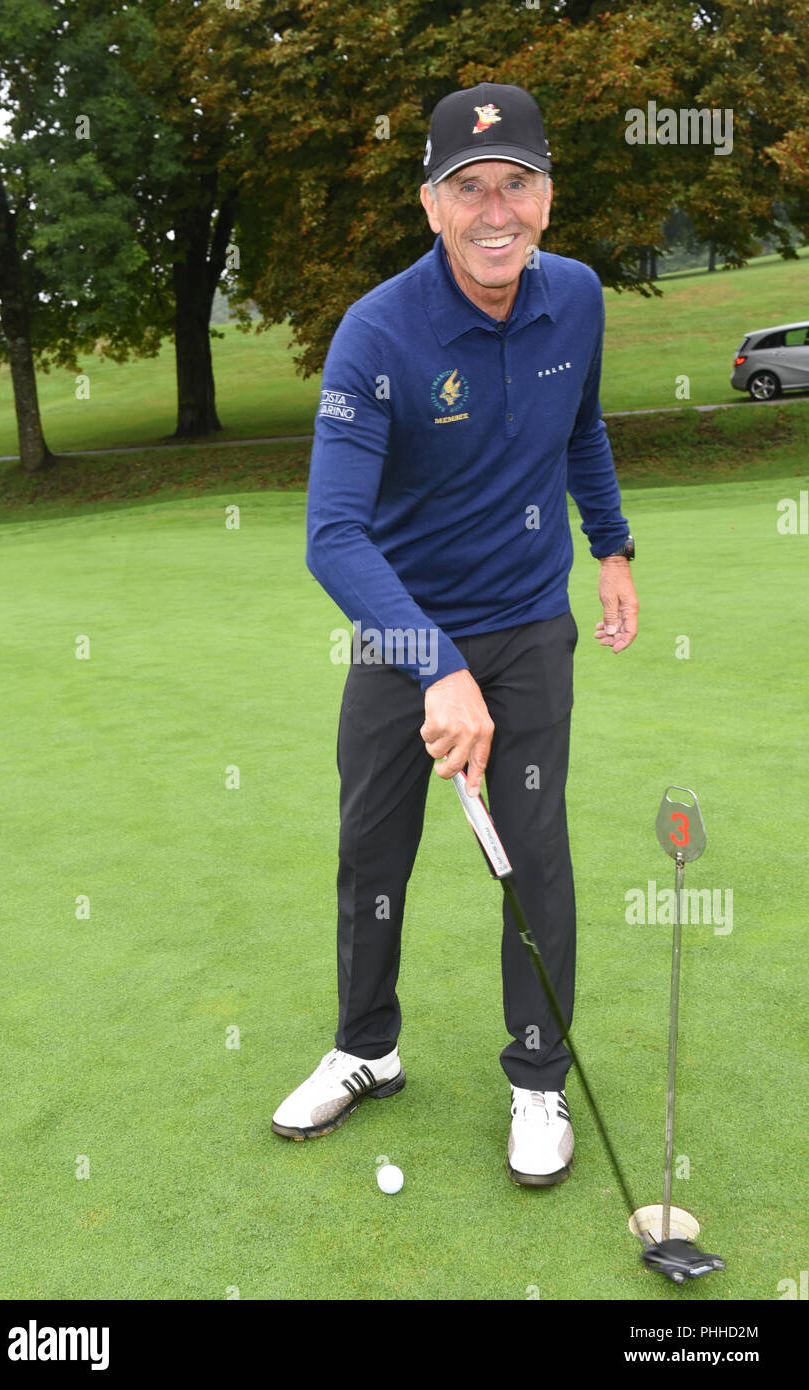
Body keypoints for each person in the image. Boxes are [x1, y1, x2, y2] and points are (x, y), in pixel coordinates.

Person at [271, 82, 639, 1187]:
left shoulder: (573, 299)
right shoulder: (376, 331)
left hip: (527, 624)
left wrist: (610, 546)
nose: (494, 210)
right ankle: (365, 1049)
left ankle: (536, 1081)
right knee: (371, 849)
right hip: (400, 629)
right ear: (429, 204)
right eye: (466, 188)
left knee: (532, 855)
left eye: (513, 185)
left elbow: (582, 424)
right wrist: (433, 665)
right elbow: (332, 536)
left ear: (545, 198)